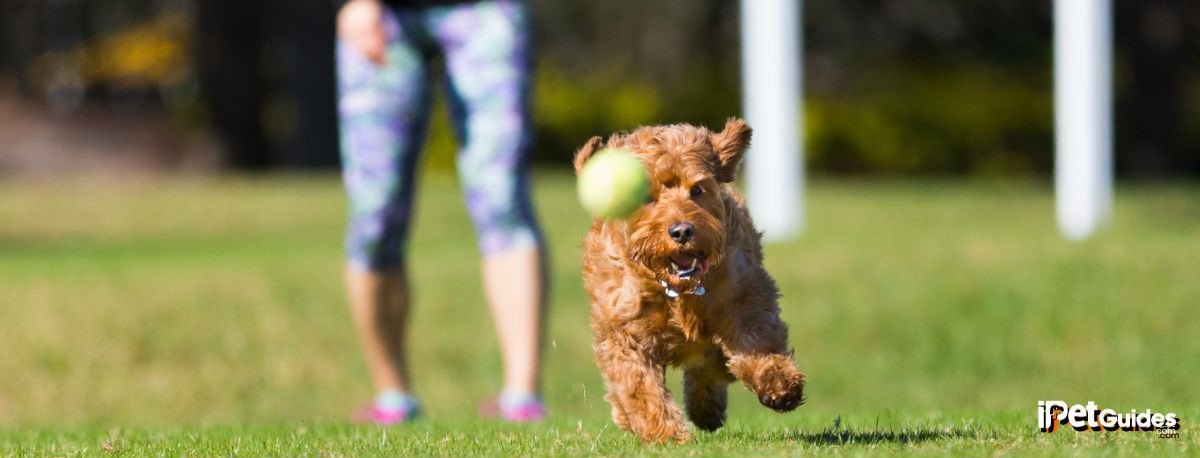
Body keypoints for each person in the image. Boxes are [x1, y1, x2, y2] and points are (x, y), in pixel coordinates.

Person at [334, 0, 546, 424]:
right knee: (374, 212)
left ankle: (522, 396)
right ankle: (392, 396)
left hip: (485, 12)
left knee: (501, 196)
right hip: (383, 14)